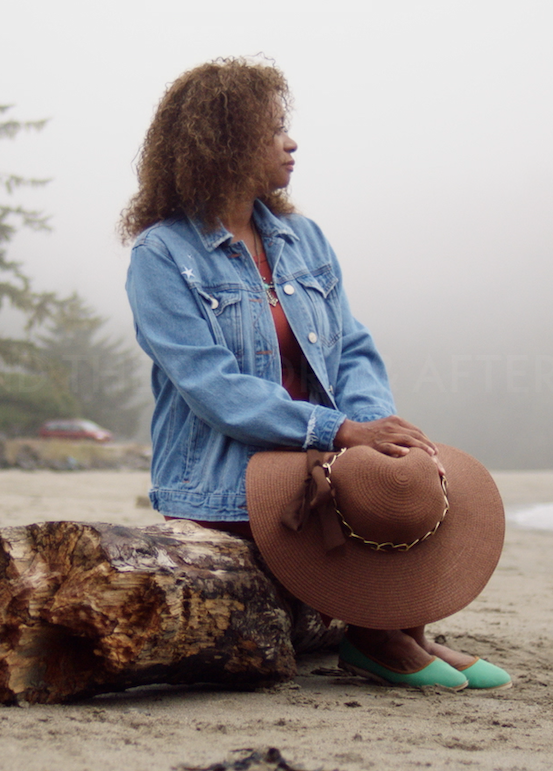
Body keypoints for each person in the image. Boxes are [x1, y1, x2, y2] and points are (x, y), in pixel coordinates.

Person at [122, 57, 511, 690]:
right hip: (230, 477)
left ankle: (398, 629)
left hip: (321, 454)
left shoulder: (305, 239)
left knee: (396, 477)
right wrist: (341, 433)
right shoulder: (162, 255)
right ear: (218, 144)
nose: (291, 142)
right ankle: (379, 636)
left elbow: (352, 348)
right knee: (358, 479)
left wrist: (375, 430)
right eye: (272, 129)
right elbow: (212, 387)